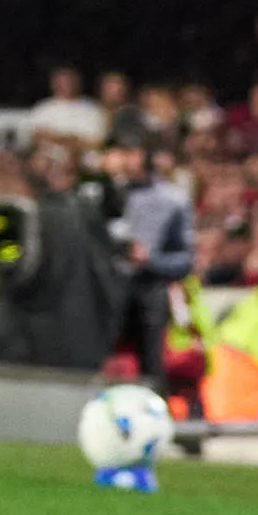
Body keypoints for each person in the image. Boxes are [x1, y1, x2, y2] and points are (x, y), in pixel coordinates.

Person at [101, 139, 195, 383]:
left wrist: (150, 260)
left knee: (151, 373)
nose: (124, 160)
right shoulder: (94, 195)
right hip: (103, 296)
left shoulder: (171, 200)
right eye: (118, 152)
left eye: (131, 152)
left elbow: (185, 261)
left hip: (148, 296)